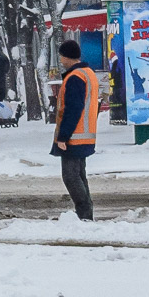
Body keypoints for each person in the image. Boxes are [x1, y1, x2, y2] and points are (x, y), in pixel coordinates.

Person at [53, 39, 99, 220]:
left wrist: (63, 136)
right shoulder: (88, 73)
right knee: (79, 175)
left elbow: (73, 109)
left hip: (74, 135)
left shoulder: (75, 77)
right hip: (85, 134)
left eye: (61, 56)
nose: (61, 59)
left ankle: (84, 213)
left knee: (70, 176)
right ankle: (86, 213)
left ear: (66, 56)